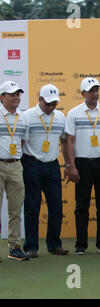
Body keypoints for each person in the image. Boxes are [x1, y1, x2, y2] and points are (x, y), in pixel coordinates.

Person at [64, 77, 100, 255]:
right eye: (91, 91)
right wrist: (71, 166)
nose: (95, 93)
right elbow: (69, 142)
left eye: (97, 90)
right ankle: (81, 245)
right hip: (82, 163)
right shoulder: (73, 113)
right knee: (82, 206)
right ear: (83, 93)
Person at [22, 84, 69, 258]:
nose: (51, 107)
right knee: (32, 206)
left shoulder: (60, 117)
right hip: (31, 163)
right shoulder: (27, 116)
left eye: (54, 103)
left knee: (56, 206)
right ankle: (31, 246)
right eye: (48, 103)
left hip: (52, 165)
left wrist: (68, 165)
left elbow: (65, 141)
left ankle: (54, 244)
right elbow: (21, 142)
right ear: (40, 100)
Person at [0, 81, 29, 261]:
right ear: (2, 97)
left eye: (18, 94)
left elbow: (22, 142)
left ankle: (14, 247)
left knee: (15, 209)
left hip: (16, 165)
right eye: (12, 94)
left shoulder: (23, 117)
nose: (17, 97)